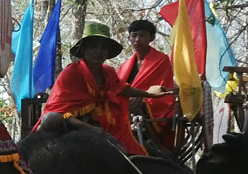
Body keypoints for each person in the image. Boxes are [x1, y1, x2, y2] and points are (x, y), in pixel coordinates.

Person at [38, 21, 171, 156]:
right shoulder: (72, 73)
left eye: (103, 48)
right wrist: (90, 128)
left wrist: (148, 94)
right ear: (83, 50)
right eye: (94, 47)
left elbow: (121, 88)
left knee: (124, 152)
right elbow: (60, 112)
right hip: (73, 124)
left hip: (103, 123)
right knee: (51, 119)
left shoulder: (108, 72)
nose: (98, 52)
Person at [117, 19, 177, 150]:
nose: (137, 40)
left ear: (152, 38)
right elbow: (117, 87)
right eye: (134, 36)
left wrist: (140, 98)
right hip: (127, 104)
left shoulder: (161, 59)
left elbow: (162, 87)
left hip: (152, 104)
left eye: (142, 36)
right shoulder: (125, 65)